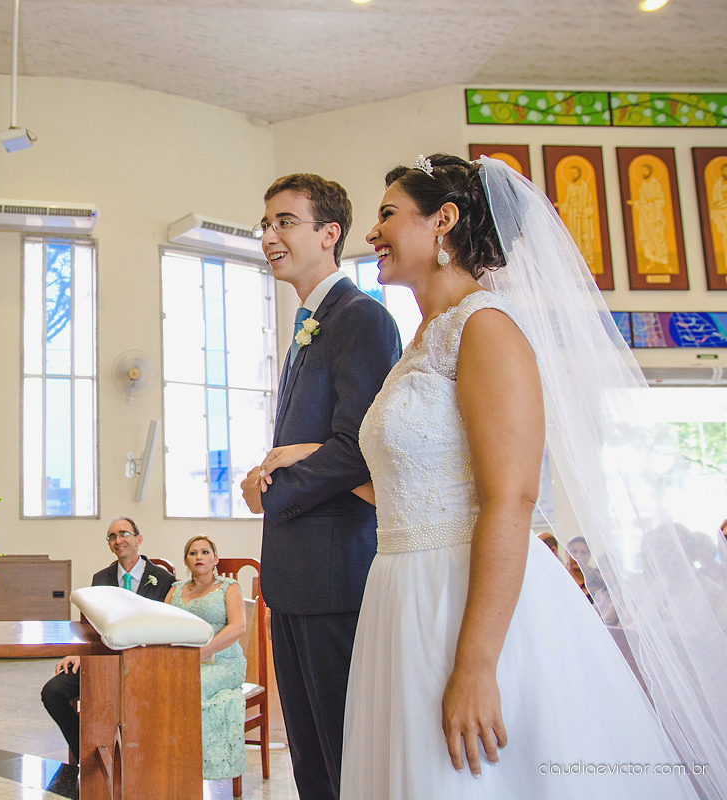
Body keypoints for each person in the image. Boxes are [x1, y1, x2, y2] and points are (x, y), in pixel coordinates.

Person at [265, 153, 723, 798]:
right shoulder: (423, 339)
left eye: (389, 215)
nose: (373, 233)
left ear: (443, 221)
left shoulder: (487, 328)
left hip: (464, 597)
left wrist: (477, 665)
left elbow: (511, 497)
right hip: (400, 595)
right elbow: (404, 482)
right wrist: (298, 462)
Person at [238, 173, 400, 799]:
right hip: (296, 572)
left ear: (330, 234)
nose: (269, 236)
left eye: (285, 222)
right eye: (266, 224)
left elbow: (361, 445)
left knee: (340, 750)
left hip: (336, 571)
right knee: (307, 751)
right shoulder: (310, 323)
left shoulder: (360, 318)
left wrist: (275, 487)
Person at [40, 517, 175, 763]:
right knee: (53, 692)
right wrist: (79, 652)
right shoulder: (100, 578)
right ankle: (89, 754)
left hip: (147, 666)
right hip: (105, 663)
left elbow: (170, 625)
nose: (118, 540)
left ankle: (143, 762)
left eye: (124, 533)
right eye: (112, 536)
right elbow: (91, 625)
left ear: (139, 539)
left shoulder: (164, 579)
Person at [164, 536, 247, 781]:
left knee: (188, 687)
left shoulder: (228, 587)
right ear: (186, 561)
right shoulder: (175, 590)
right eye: (193, 553)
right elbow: (161, 623)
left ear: (215, 559)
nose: (199, 557)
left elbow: (238, 627)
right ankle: (168, 761)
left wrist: (203, 652)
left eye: (205, 552)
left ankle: (195, 768)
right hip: (181, 661)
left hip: (223, 661)